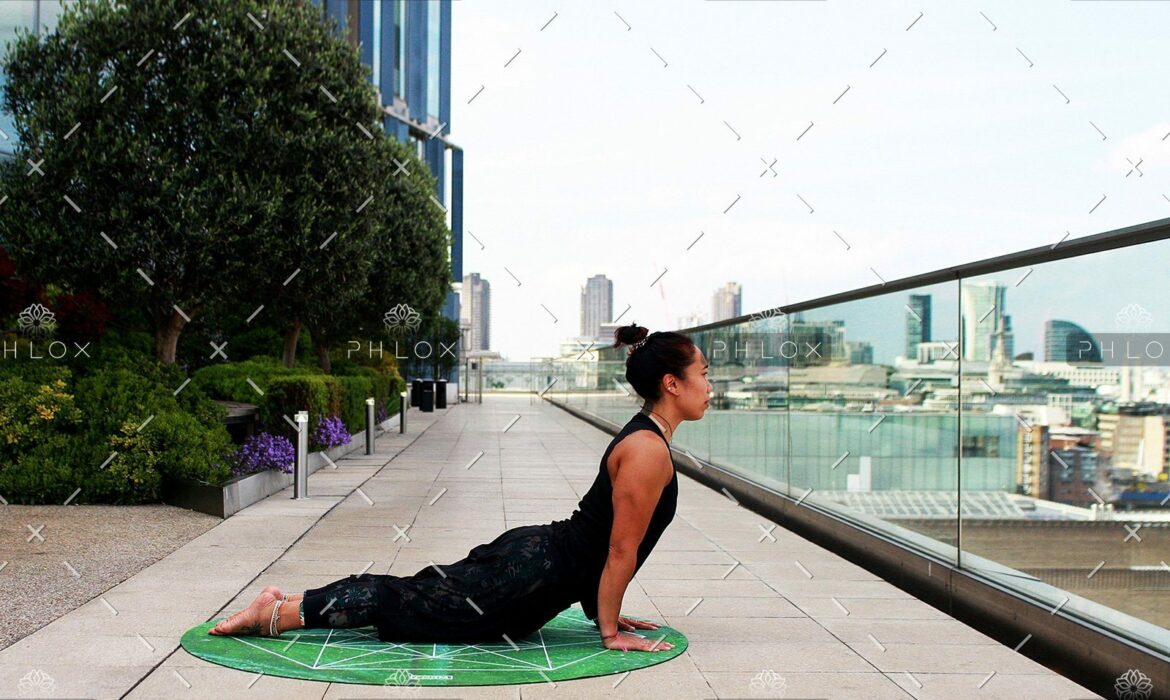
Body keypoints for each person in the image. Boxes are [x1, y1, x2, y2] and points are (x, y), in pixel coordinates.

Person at [209, 322, 711, 653]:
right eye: (704, 374)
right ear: (672, 382)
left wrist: (610, 613)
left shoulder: (647, 440)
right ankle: (275, 614)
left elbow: (605, 547)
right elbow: (620, 548)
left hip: (537, 563)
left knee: (409, 593)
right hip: (529, 576)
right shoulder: (648, 451)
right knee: (401, 601)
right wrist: (607, 632)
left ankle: (282, 603)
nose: (710, 386)